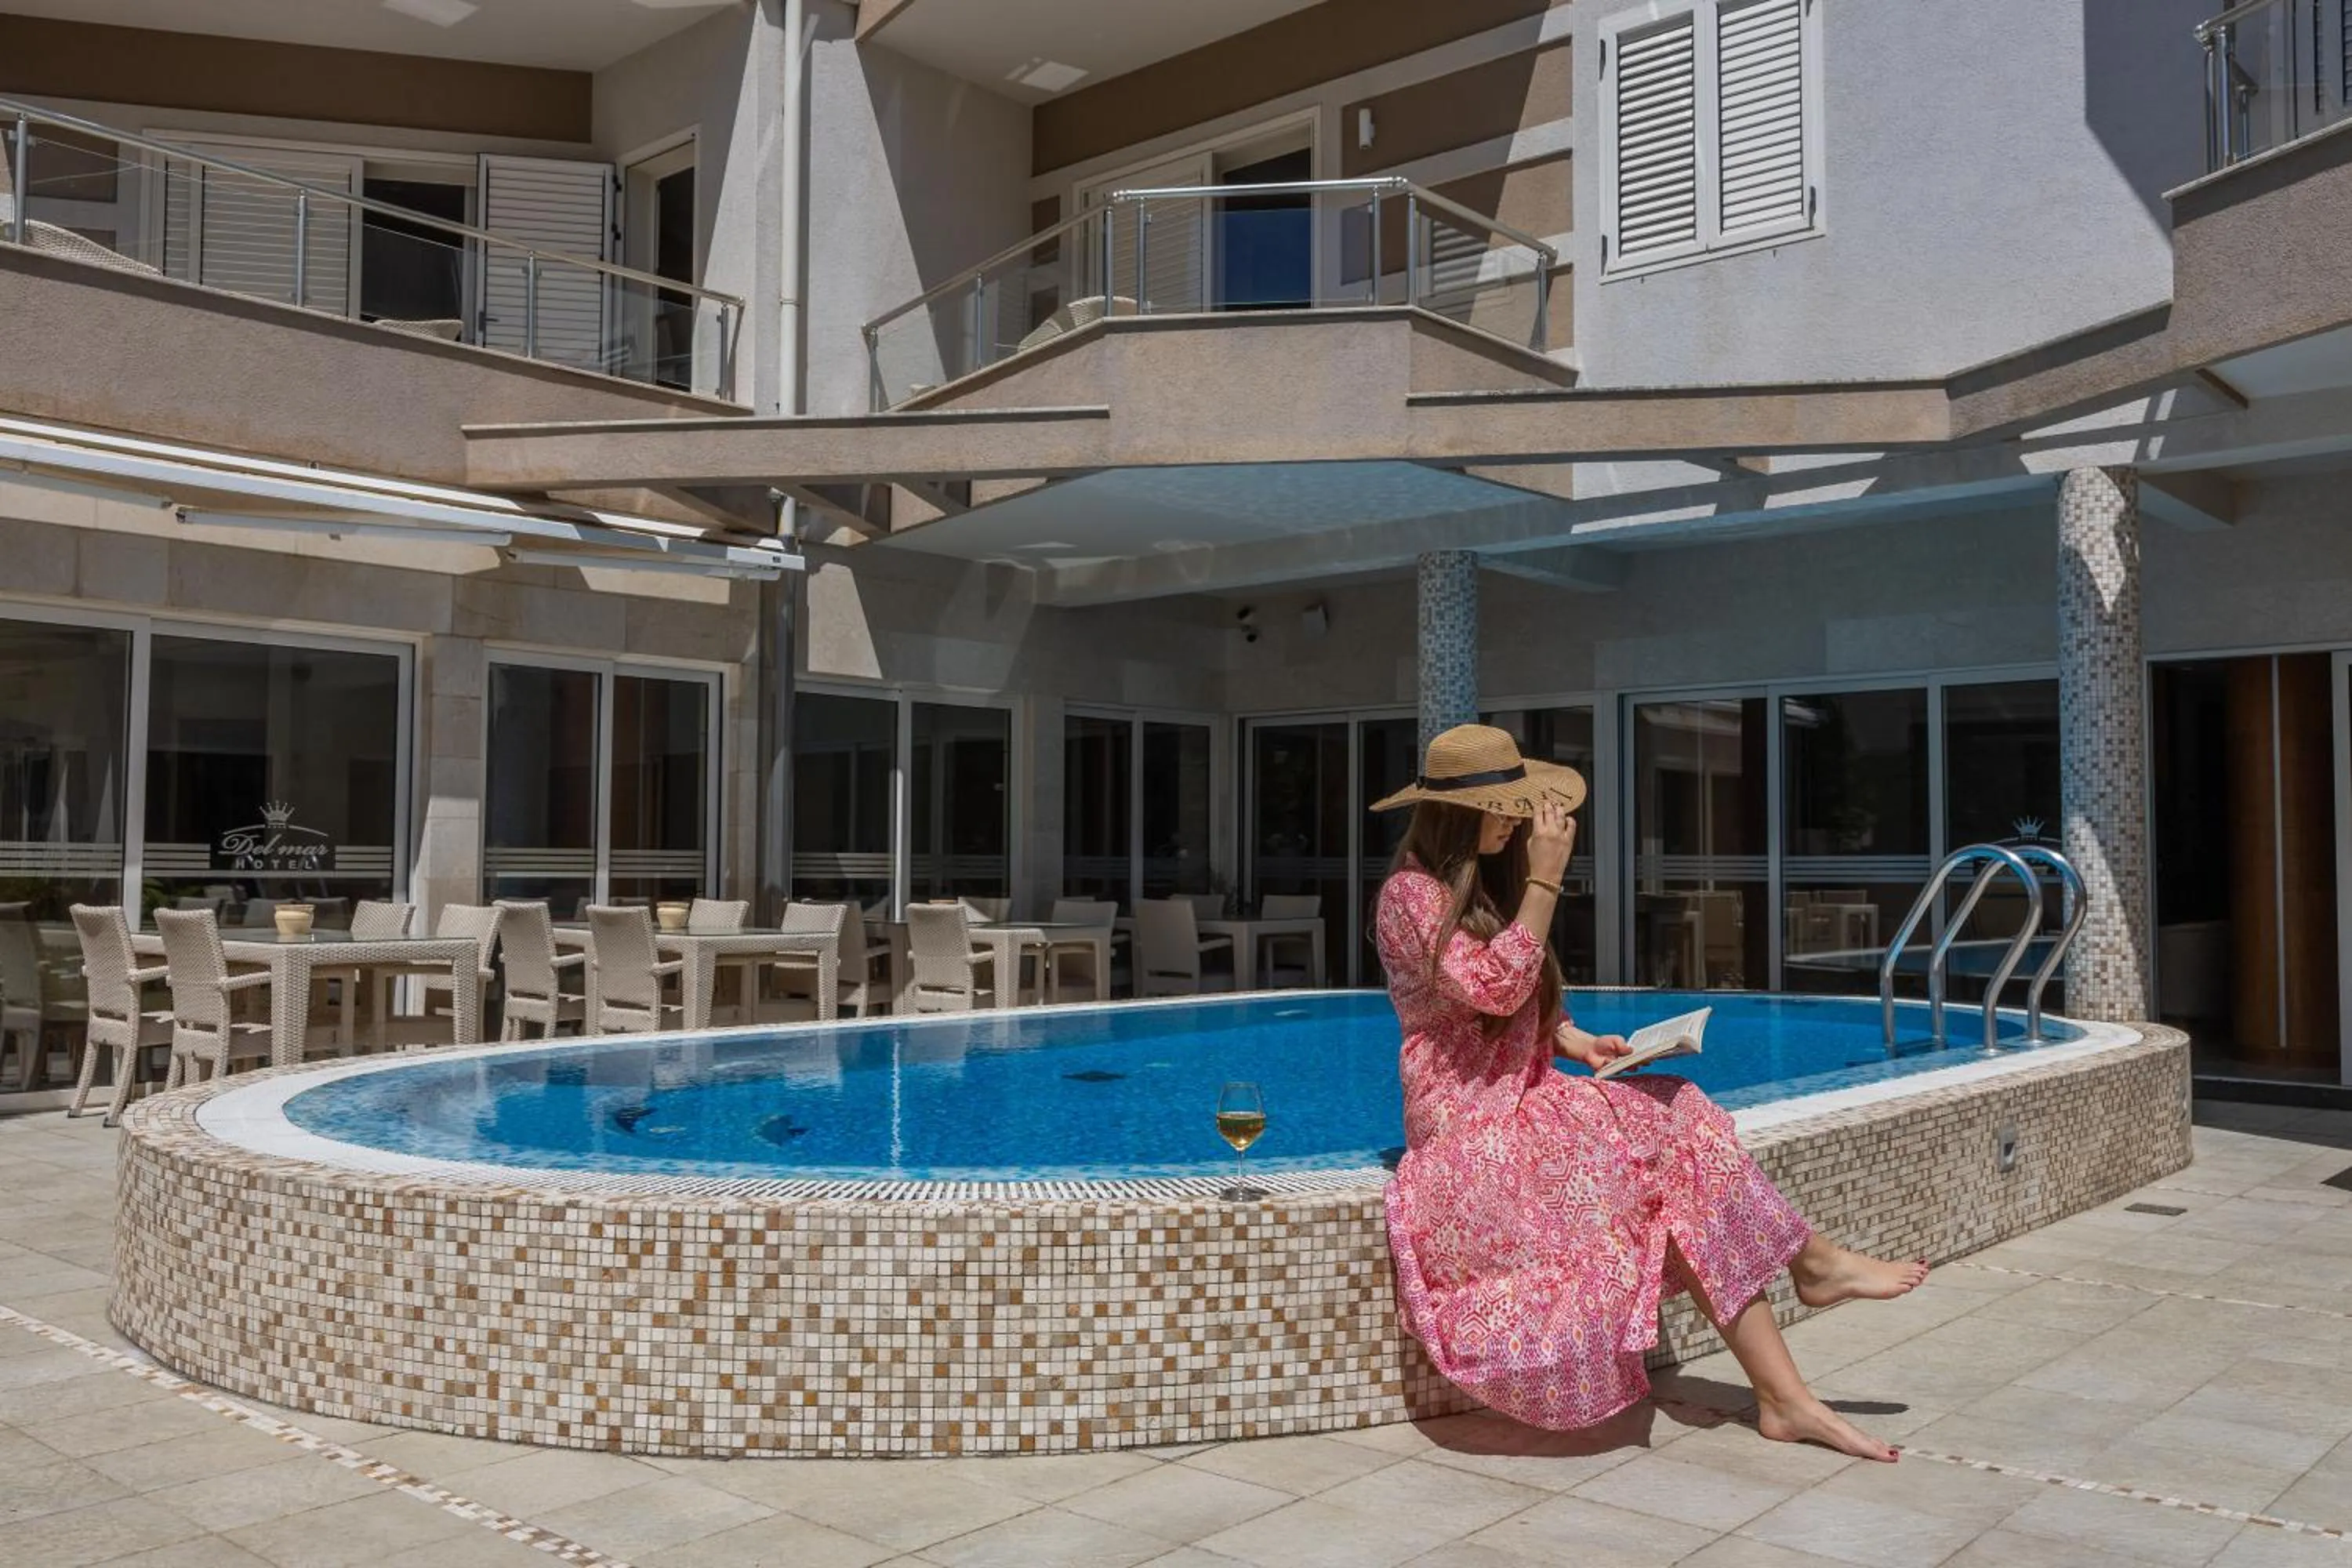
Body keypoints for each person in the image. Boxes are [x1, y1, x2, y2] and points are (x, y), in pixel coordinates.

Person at [1371, 724, 1928, 1462]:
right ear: (1458, 813)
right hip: (1468, 1126)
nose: (1517, 822)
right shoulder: (1409, 895)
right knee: (1674, 1148)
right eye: (1505, 809)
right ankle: (1809, 1289)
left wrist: (1574, 1040)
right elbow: (1495, 985)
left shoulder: (1483, 883)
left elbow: (1514, 1001)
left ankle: (1789, 1385)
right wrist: (1544, 880)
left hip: (1523, 1100)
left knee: (1679, 1124)